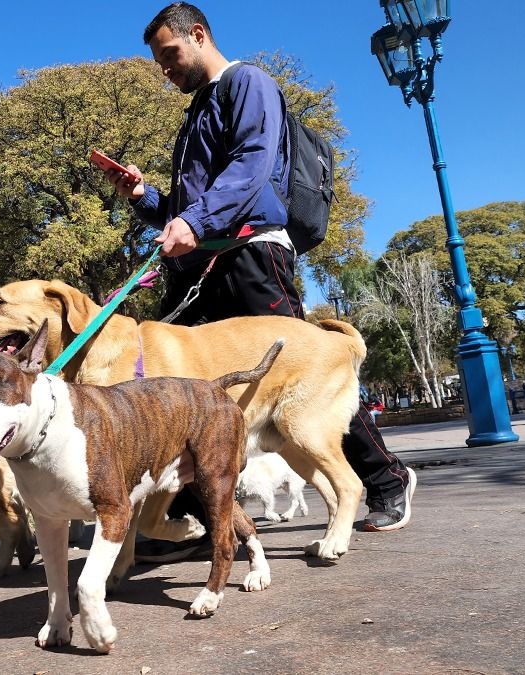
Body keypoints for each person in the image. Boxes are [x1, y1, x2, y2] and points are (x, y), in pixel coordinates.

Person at [104, 3, 416, 562]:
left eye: (170, 55)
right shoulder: (198, 111)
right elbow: (190, 206)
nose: (165, 69)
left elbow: (250, 168)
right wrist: (146, 197)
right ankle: (191, 520)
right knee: (176, 390)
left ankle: (387, 481)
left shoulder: (248, 83)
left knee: (307, 372)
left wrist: (192, 221)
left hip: (252, 256)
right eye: (158, 61)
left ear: (198, 35)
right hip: (203, 263)